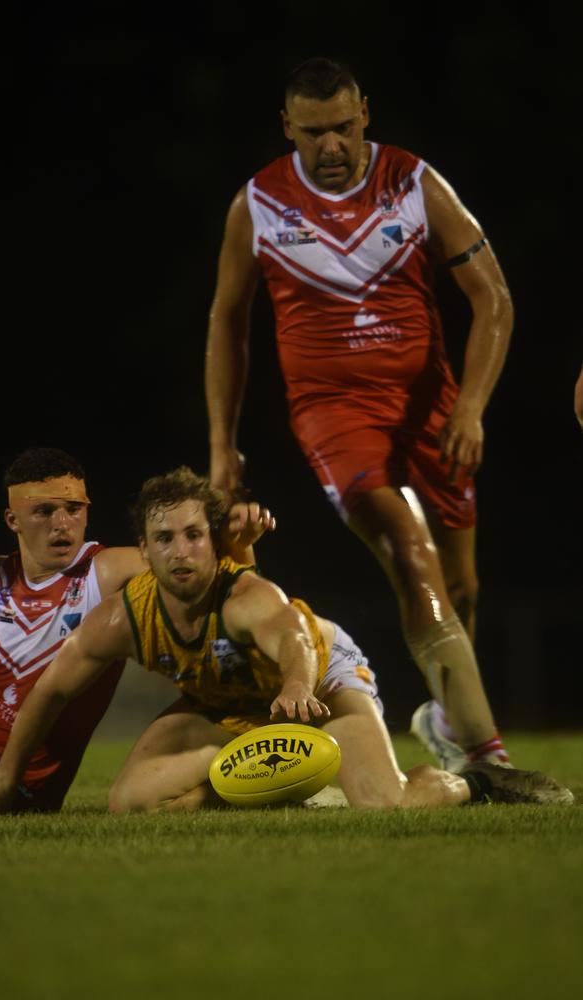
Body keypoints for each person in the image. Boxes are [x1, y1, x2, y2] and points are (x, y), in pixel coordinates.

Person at [205, 57, 515, 773]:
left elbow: (493, 298)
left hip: (431, 411)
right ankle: (488, 757)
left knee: (460, 584)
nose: (332, 147)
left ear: (365, 114)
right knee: (411, 553)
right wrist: (223, 442)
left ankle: (445, 717)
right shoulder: (259, 204)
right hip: (332, 414)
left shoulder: (413, 183)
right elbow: (227, 322)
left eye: (343, 128)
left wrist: (470, 408)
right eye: (313, 133)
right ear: (288, 128)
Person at [0, 468, 573, 816]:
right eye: (164, 539)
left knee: (391, 808)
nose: (181, 552)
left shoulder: (248, 596)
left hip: (322, 688)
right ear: (143, 552)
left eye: (195, 535)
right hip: (228, 707)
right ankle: (282, 783)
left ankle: (475, 781)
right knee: (132, 803)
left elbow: (293, 641)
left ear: (213, 542)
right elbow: (49, 693)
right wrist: (5, 782)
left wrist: (299, 687)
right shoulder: (122, 617)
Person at [0, 448, 272, 814]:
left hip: (16, 766)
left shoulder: (108, 571)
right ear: (13, 519)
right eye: (44, 511)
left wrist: (240, 542)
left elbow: (224, 585)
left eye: (73, 509)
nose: (62, 523)